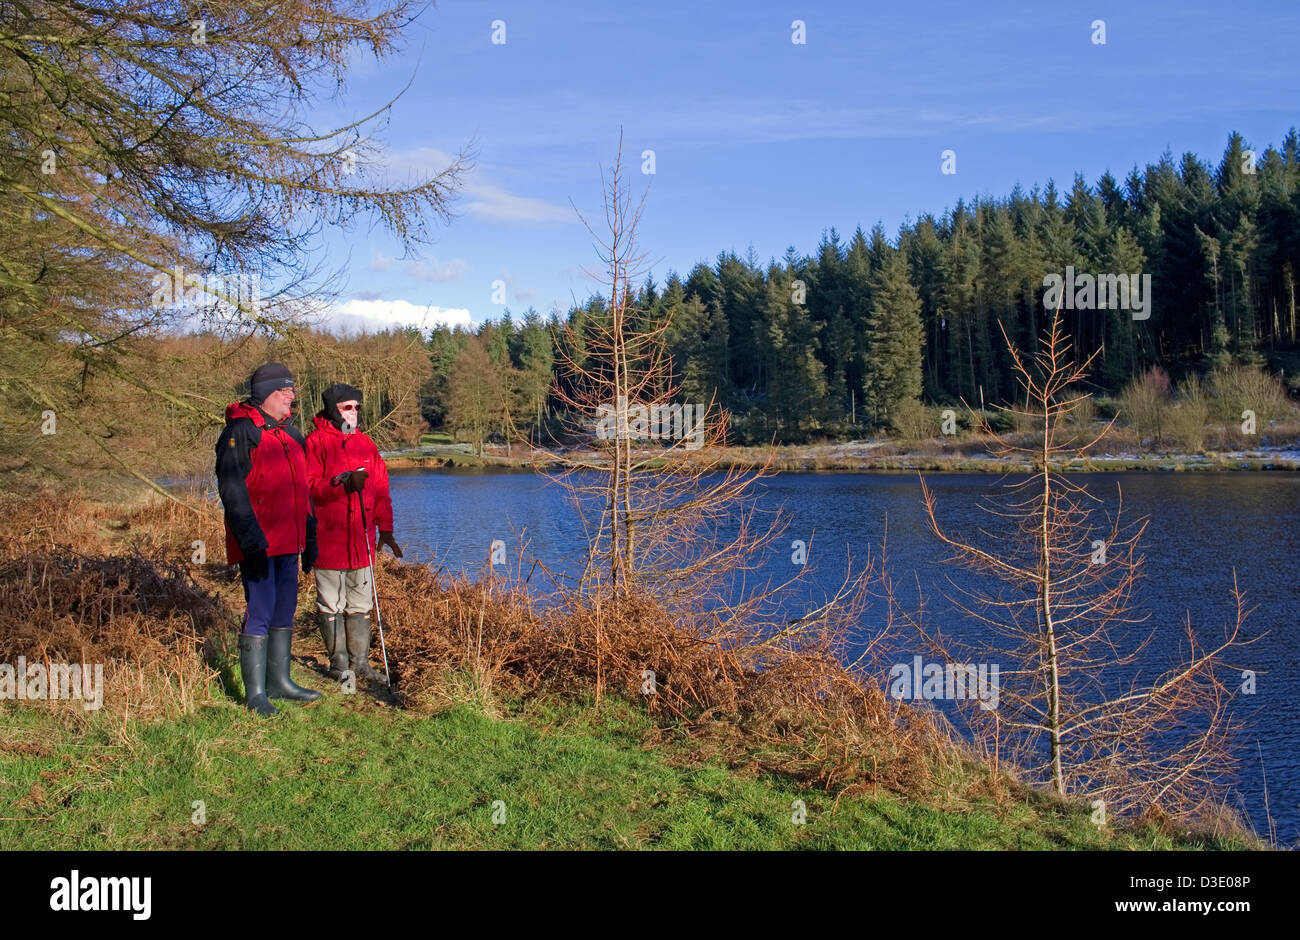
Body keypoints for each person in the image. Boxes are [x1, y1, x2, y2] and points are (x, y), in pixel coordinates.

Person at [215, 362, 321, 715]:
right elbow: (233, 492)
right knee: (259, 611)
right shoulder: (240, 432)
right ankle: (255, 693)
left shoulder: (292, 436)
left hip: (291, 543)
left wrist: (311, 533)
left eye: (291, 390)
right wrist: (250, 542)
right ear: (267, 395)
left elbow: (302, 490)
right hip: (259, 545)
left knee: (284, 610)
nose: (292, 396)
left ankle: (280, 682)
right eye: (285, 391)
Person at [305, 382, 402, 684]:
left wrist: (385, 529)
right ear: (334, 410)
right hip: (328, 541)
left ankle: (360, 664)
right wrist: (341, 485)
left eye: (357, 407)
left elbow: (382, 492)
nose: (354, 412)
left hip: (362, 543)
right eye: (348, 407)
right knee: (331, 605)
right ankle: (339, 666)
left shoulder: (367, 445)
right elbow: (308, 490)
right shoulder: (315, 443)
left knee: (360, 604)